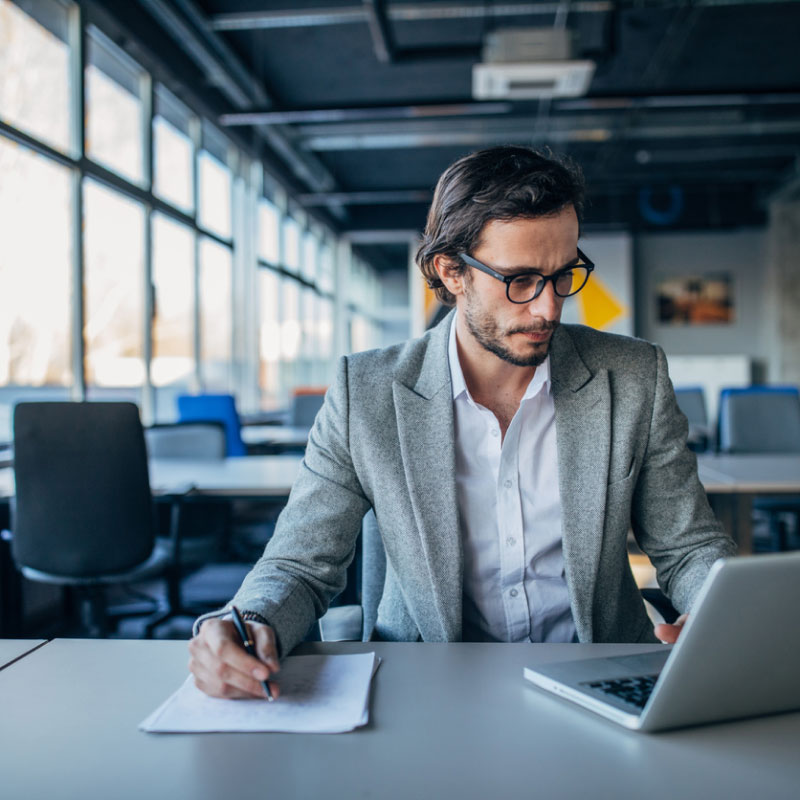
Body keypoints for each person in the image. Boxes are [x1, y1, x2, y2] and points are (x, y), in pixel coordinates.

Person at [188, 146, 736, 699]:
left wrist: (719, 611)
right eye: (521, 280)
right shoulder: (367, 393)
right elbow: (300, 564)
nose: (548, 308)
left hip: (599, 676)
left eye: (563, 275)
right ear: (451, 271)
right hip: (427, 687)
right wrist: (247, 622)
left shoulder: (634, 375)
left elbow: (688, 546)